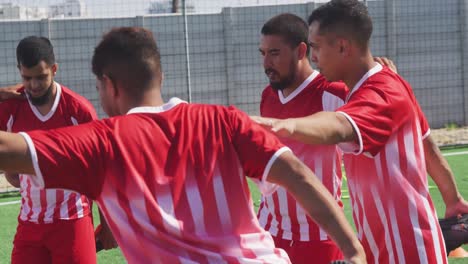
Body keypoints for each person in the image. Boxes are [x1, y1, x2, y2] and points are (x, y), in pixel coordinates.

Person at [0, 27, 367, 264]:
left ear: (108, 85)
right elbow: (299, 175)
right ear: (159, 75)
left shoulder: (103, 143)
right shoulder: (224, 119)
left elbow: (7, 151)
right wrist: (353, 251)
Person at [252, 0, 468, 263]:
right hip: (375, 246)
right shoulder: (381, 84)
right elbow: (426, 143)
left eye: (317, 47)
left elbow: (340, 125)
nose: (314, 56)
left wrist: (282, 125)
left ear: (342, 46)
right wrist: (453, 198)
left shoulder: (382, 92)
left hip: (406, 250)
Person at [0, 36, 115, 264]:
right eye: (27, 77)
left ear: (54, 69)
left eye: (41, 77)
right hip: (30, 223)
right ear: (19, 72)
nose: (33, 85)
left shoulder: (78, 110)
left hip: (72, 221)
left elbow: (101, 170)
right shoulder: (10, 108)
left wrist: (108, 224)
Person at [258, 13, 347, 264]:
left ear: (300, 51)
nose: (266, 62)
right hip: (270, 232)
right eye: (262, 53)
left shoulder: (333, 93)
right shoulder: (268, 95)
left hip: (319, 236)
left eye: (274, 53)